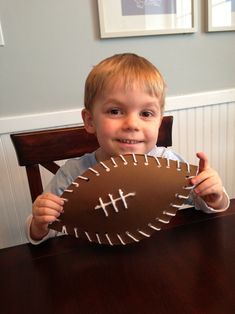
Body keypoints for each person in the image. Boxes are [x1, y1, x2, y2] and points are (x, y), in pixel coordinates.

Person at [26, 53, 230, 244]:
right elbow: (40, 233)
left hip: (157, 257)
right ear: (90, 121)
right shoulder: (73, 174)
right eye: (115, 111)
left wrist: (214, 196)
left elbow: (206, 206)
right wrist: (39, 223)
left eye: (146, 113)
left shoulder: (170, 164)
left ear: (159, 121)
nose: (132, 124)